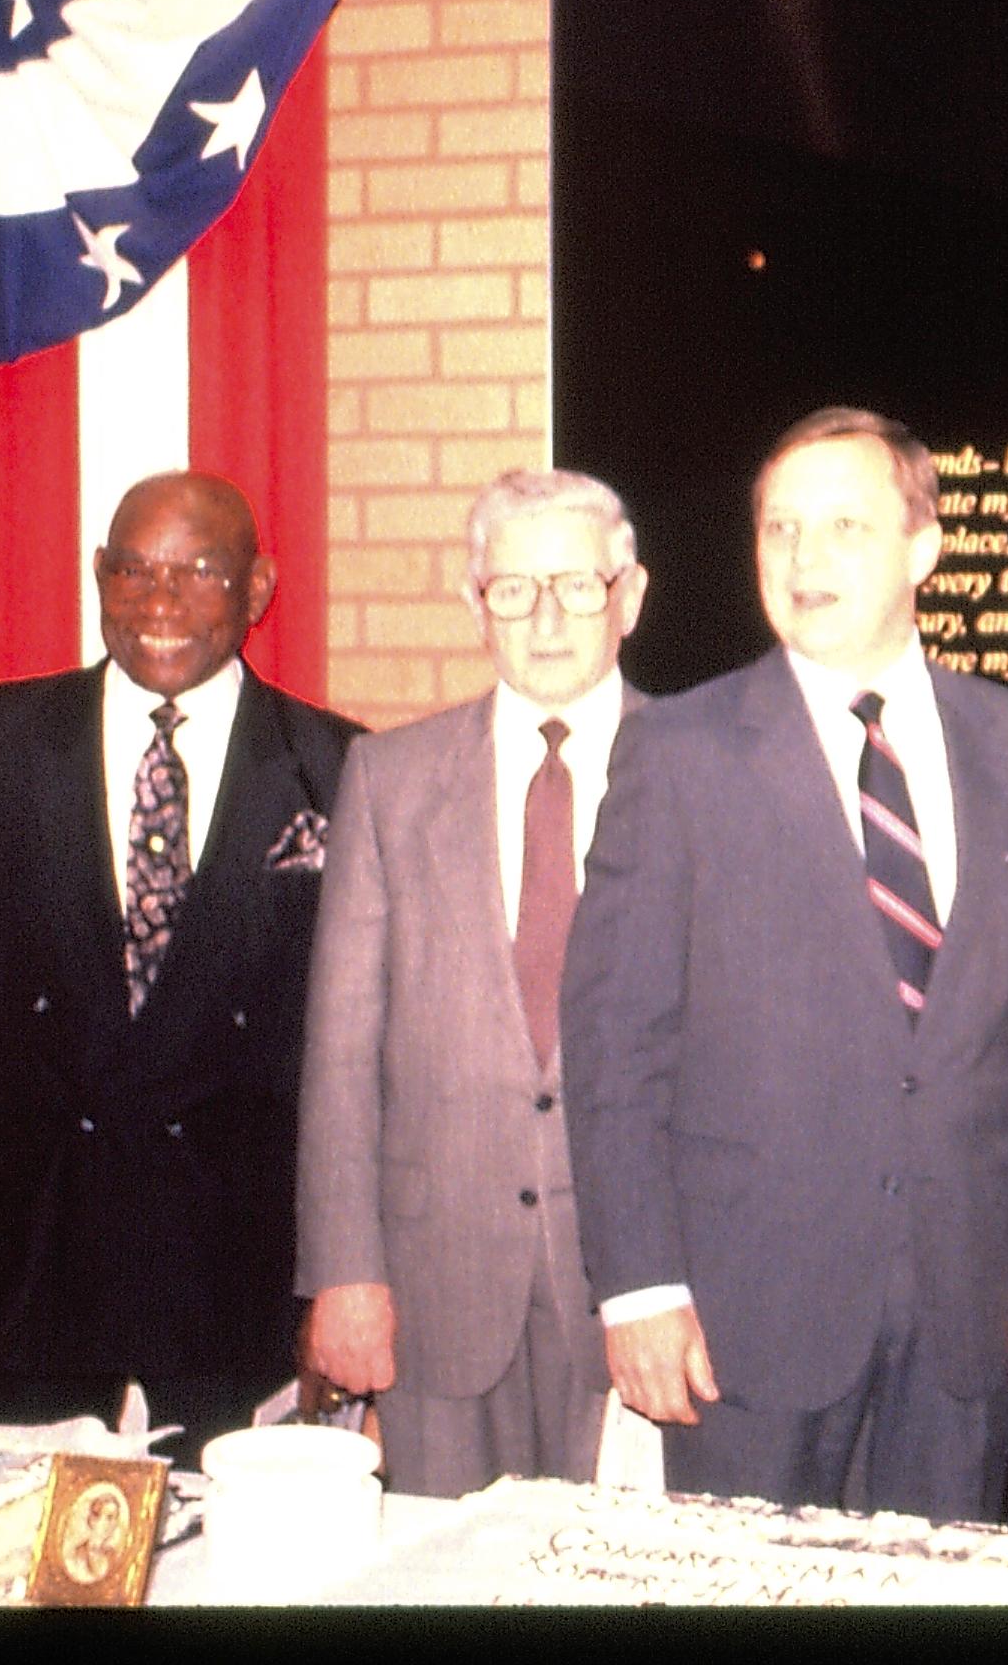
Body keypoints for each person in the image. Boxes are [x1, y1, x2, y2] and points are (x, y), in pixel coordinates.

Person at [560, 407, 1008, 1519]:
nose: (804, 559)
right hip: (742, 1316)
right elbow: (615, 1042)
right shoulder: (677, 751)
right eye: (780, 529)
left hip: (970, 1300)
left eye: (845, 526)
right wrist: (640, 1289)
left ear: (923, 547)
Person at [0, 471, 360, 1467]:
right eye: (132, 569)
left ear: (258, 589)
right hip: (31, 1251)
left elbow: (365, 1060)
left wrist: (342, 1279)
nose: (159, 602)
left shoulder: (338, 765)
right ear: (99, 577)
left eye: (197, 571)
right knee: (19, 1561)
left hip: (242, 1269)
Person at [293, 468, 649, 1495]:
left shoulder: (698, 770)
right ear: (471, 603)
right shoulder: (388, 779)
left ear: (627, 596)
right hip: (434, 1278)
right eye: (512, 589)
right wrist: (346, 1272)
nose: (546, 619)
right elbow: (342, 1049)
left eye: (578, 587)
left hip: (634, 1290)